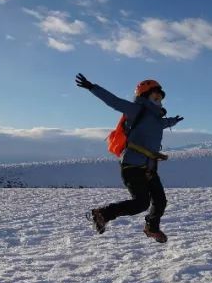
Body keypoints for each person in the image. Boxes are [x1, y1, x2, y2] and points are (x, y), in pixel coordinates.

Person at [75, 73, 184, 243]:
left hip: (149, 167)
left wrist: (174, 121)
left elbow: (164, 123)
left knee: (160, 201)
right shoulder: (137, 109)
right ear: (145, 96)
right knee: (141, 203)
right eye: (156, 96)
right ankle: (102, 213)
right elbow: (114, 101)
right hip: (132, 166)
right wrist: (92, 87)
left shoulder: (157, 119)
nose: (159, 99)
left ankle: (151, 227)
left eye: (160, 97)